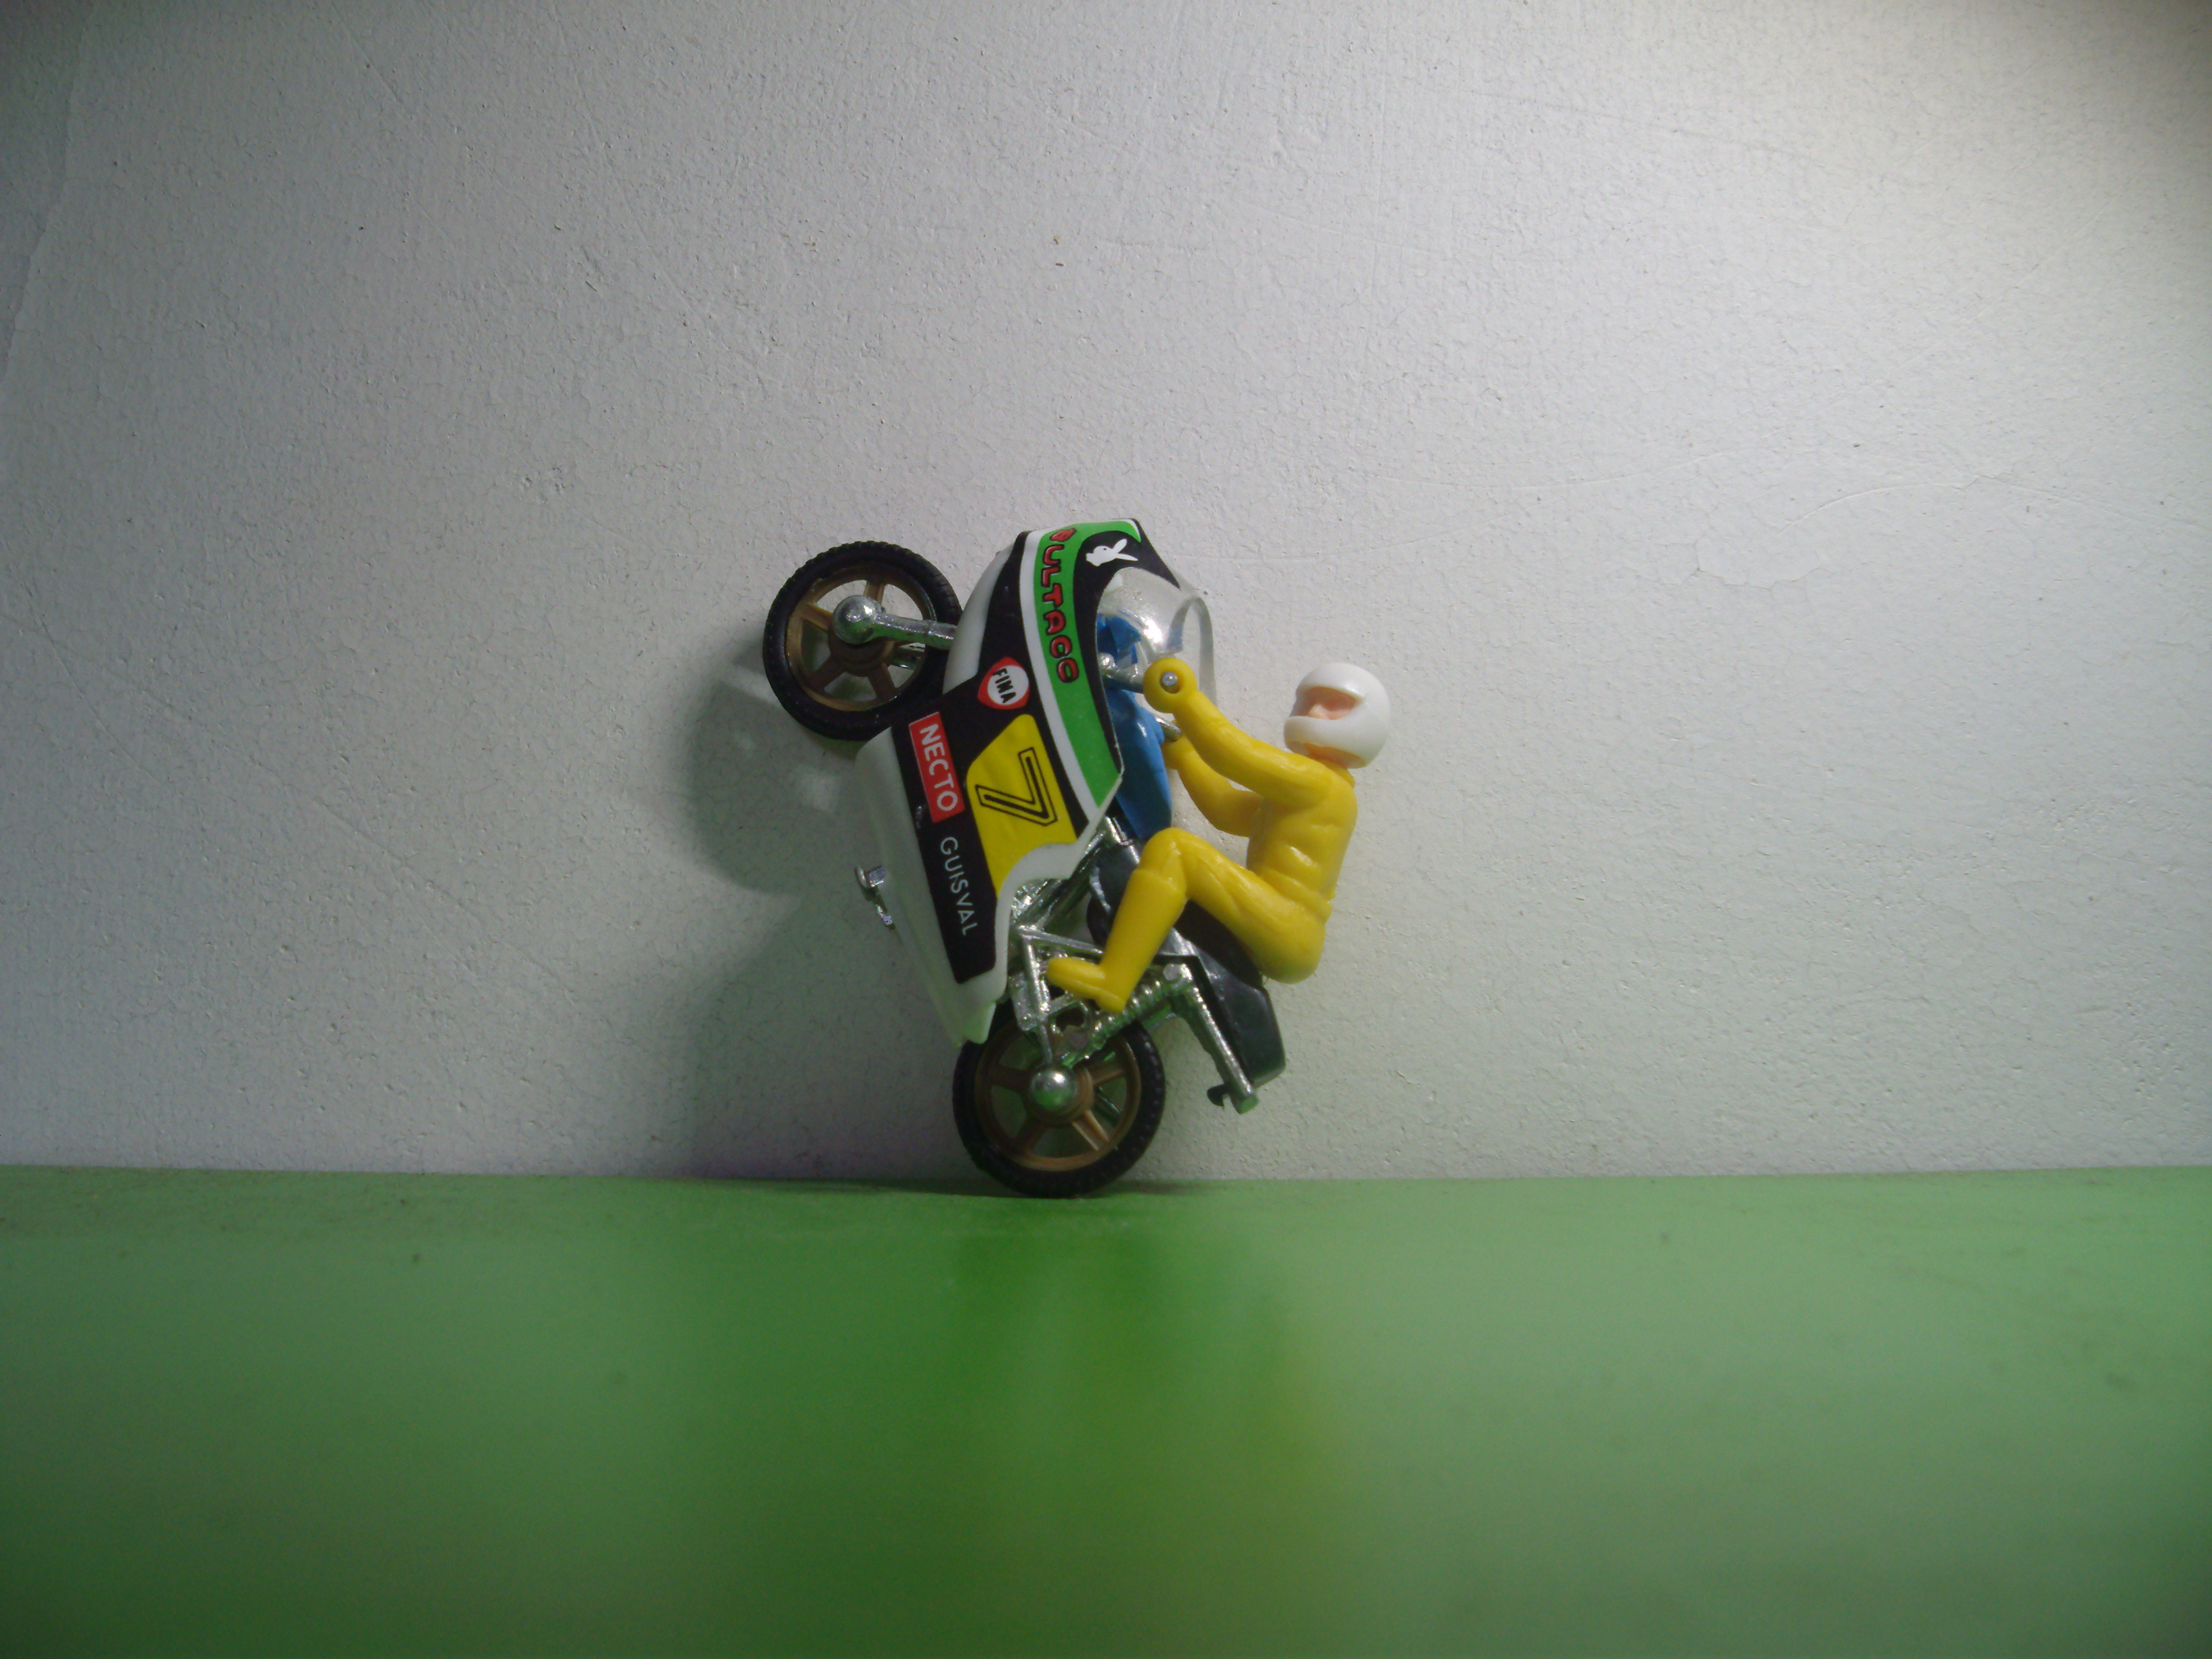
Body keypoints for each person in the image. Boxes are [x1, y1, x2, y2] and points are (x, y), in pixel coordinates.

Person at [1045, 656, 1390, 1015]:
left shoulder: (1320, 784)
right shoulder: (1305, 798)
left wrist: (1185, 698)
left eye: (1334, 705)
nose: (1315, 711)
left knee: (1176, 850)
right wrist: (1186, 756)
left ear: (1367, 723)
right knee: (1179, 857)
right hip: (1284, 930)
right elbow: (1224, 809)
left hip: (1289, 926)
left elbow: (1237, 756)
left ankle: (1113, 981)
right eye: (1309, 700)